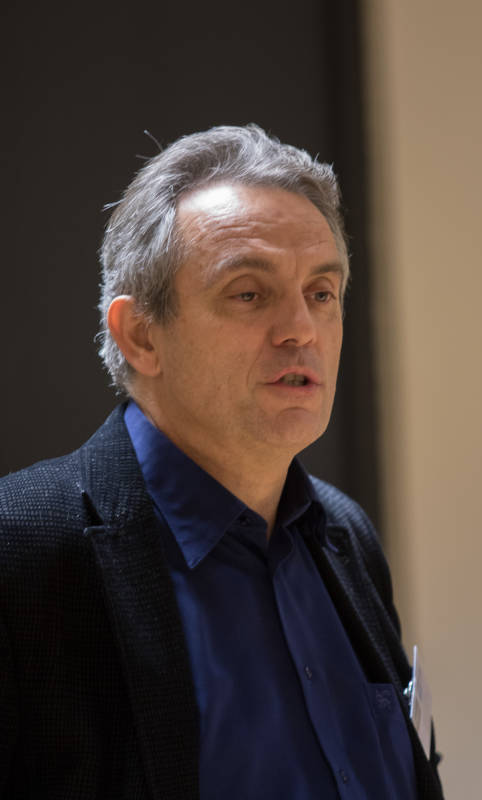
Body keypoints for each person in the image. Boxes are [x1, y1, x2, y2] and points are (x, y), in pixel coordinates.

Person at [0, 125, 444, 799]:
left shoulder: (346, 533)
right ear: (141, 336)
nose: (301, 329)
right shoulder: (22, 549)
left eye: (321, 293)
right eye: (248, 293)